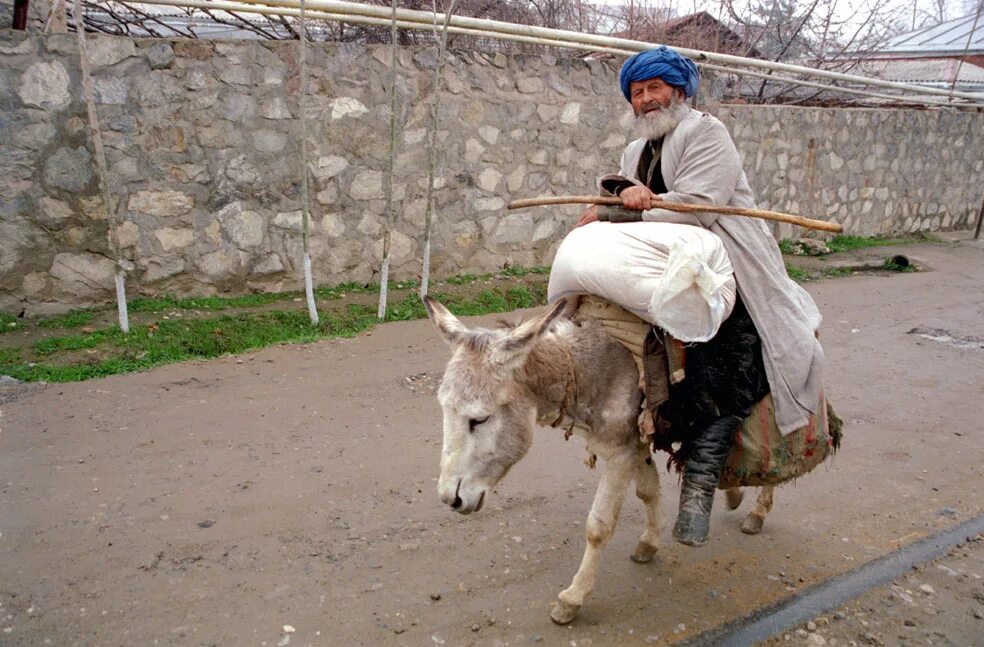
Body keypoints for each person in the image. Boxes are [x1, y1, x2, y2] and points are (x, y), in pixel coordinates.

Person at [577, 47, 825, 547]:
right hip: (663, 265)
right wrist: (605, 204)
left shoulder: (707, 133)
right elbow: (629, 203)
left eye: (655, 89)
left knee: (724, 345)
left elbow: (697, 210)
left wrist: (620, 212)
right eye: (638, 92)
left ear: (679, 91)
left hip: (725, 259)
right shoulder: (634, 152)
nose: (646, 100)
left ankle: (702, 478)